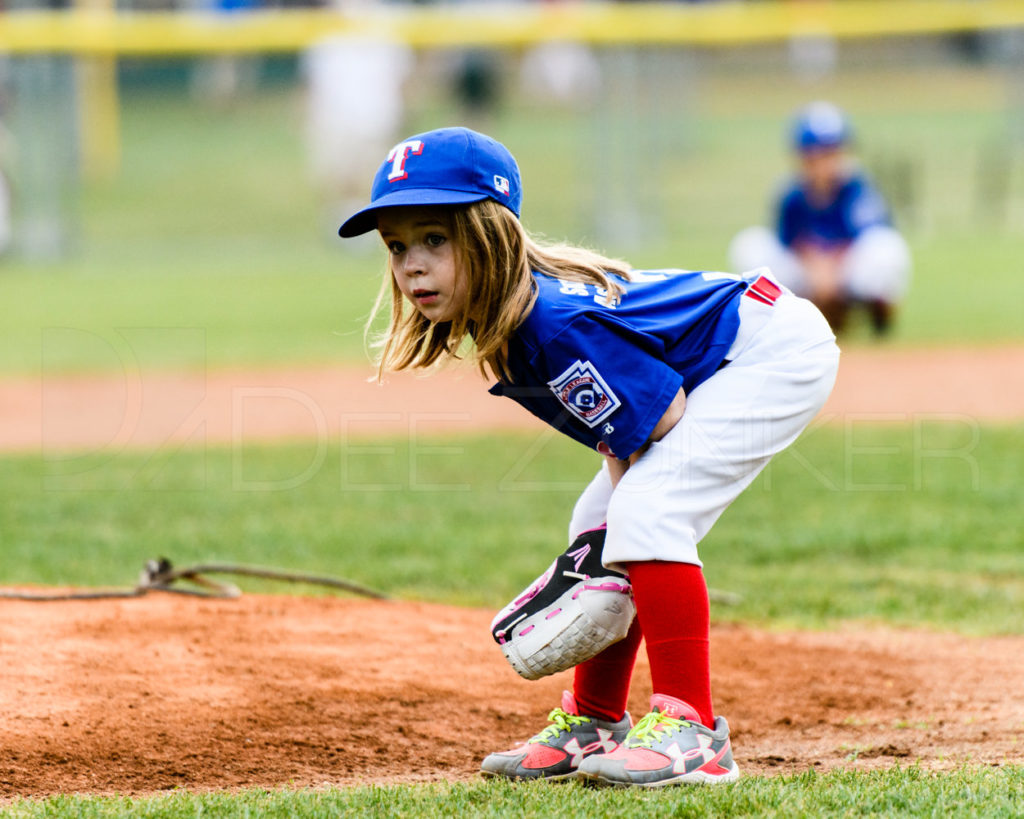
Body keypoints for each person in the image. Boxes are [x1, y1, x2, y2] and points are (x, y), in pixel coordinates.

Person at [339, 127, 840, 787]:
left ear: (491, 235)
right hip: (727, 355)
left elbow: (660, 419)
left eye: (436, 238)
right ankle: (595, 719)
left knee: (648, 508)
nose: (413, 265)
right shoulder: (516, 324)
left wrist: (618, 560)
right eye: (398, 246)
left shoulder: (550, 324)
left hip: (770, 350)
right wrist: (608, 555)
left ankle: (692, 730)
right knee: (602, 517)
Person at [729, 101, 911, 335]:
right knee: (750, 244)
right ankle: (777, 323)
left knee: (885, 247)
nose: (824, 162)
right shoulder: (791, 194)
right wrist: (815, 270)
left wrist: (831, 272)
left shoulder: (858, 189)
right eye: (816, 154)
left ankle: (876, 313)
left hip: (847, 273)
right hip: (808, 276)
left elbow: (868, 236)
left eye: (831, 152)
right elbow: (786, 243)